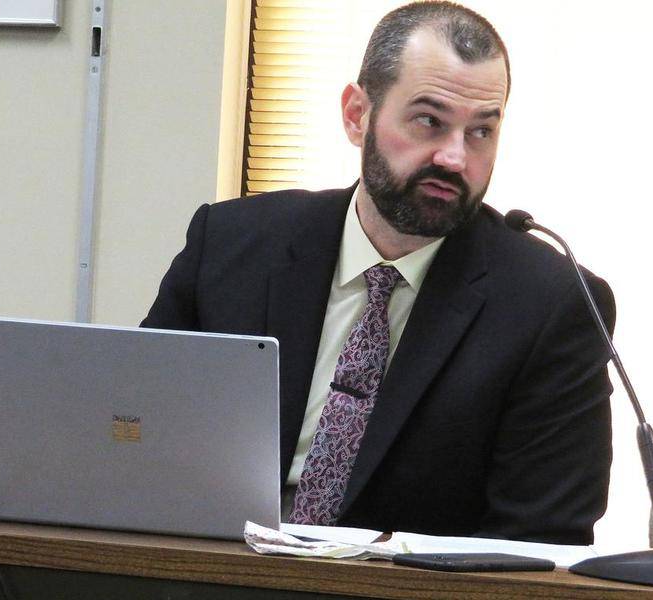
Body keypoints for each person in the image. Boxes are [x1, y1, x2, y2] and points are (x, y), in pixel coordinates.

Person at [142, 1, 614, 545]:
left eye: (481, 132)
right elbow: (137, 432)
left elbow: (541, 539)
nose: (455, 158)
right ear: (356, 114)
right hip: (214, 567)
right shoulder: (231, 245)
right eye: (429, 122)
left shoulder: (551, 303)